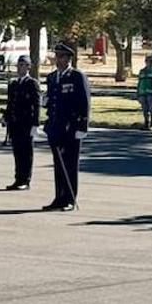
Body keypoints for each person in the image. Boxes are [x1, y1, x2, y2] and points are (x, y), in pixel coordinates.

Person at [42, 42, 90, 211]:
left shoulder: (77, 76)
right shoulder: (52, 77)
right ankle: (59, 197)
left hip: (71, 128)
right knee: (58, 164)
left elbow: (84, 103)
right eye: (57, 56)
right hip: (55, 127)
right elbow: (52, 101)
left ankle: (69, 198)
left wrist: (82, 127)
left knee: (70, 164)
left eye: (61, 56)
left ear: (69, 58)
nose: (58, 59)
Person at [5, 54, 40, 191]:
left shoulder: (32, 83)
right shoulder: (14, 84)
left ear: (28, 67)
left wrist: (35, 124)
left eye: (23, 65)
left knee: (26, 153)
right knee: (17, 152)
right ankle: (18, 178)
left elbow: (36, 105)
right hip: (15, 124)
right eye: (19, 65)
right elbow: (10, 103)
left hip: (26, 124)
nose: (20, 68)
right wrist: (6, 117)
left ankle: (25, 179)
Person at [135, 55, 152, 130]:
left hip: (151, 94)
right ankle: (146, 123)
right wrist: (138, 93)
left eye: (151, 61)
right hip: (143, 93)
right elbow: (139, 82)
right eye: (148, 61)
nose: (149, 63)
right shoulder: (142, 71)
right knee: (145, 109)